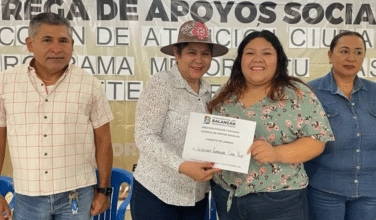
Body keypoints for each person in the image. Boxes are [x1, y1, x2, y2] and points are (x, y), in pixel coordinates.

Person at [207, 30, 335, 220]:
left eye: (267, 53)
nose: (257, 59)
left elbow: (317, 141)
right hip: (227, 197)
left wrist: (277, 153)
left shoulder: (297, 94)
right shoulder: (225, 93)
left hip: (279, 201)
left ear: (278, 60)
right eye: (250, 53)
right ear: (240, 60)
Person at [0, 12, 114, 220]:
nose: (56, 48)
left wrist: (104, 191)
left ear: (71, 44)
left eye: (63, 41)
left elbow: (103, 140)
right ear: (30, 44)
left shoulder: (89, 85)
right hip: (28, 196)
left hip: (77, 194)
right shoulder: (5, 83)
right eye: (47, 40)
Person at [130, 20, 228, 220]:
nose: (199, 60)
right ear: (177, 53)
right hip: (157, 193)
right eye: (192, 52)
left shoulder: (208, 90)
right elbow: (145, 137)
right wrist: (182, 166)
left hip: (196, 195)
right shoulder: (161, 84)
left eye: (205, 53)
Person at [305, 31, 376, 220]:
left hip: (370, 189)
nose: (351, 57)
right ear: (330, 55)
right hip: (325, 190)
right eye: (344, 51)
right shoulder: (311, 91)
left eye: (358, 52)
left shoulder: (374, 90)